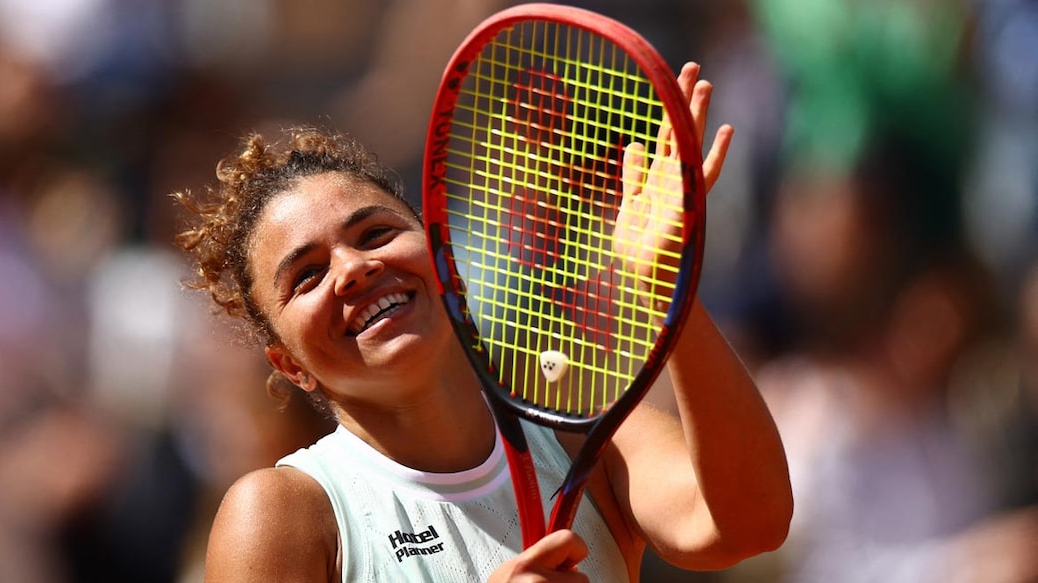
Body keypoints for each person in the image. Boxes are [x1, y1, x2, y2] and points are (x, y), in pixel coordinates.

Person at [174, 62, 792, 582]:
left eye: (376, 233)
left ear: (446, 262)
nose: (355, 269)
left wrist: (668, 291)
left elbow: (747, 522)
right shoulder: (282, 513)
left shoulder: (579, 432)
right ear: (290, 366)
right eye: (306, 275)